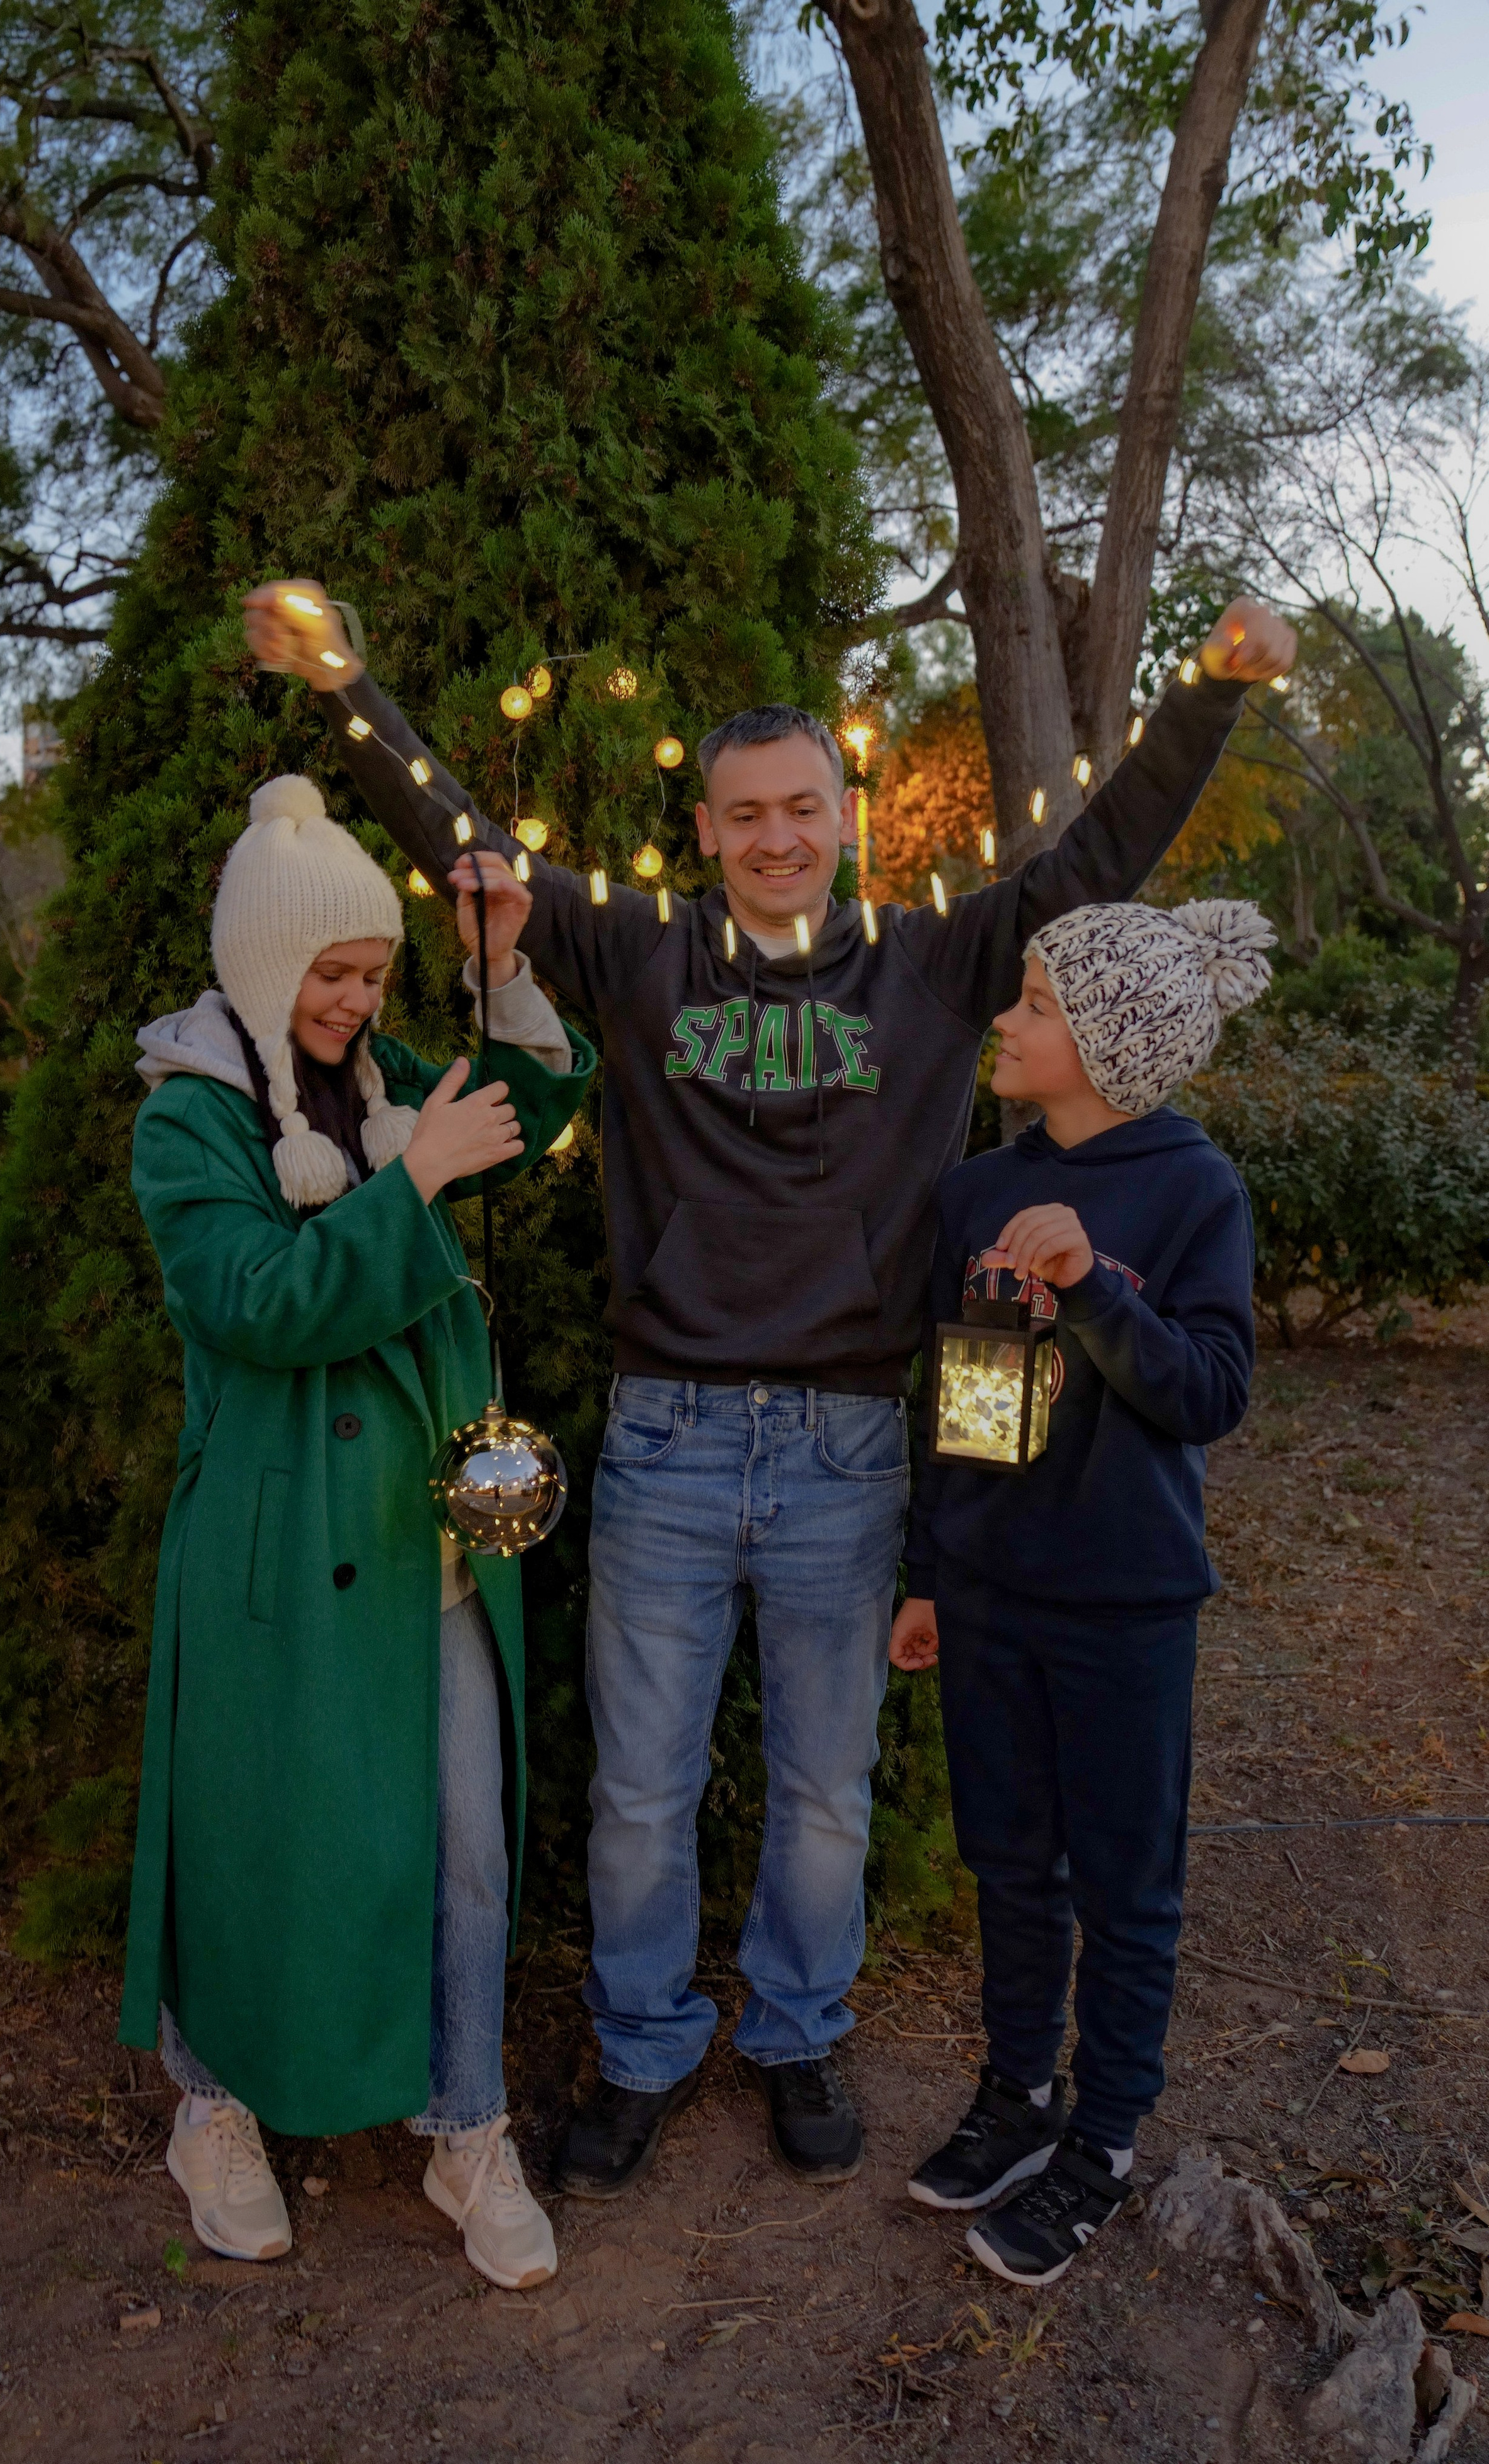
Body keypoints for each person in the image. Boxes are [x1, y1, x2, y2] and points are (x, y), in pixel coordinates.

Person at [242, 582, 1296, 2199]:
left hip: (853, 1446)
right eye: (745, 814)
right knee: (641, 1790)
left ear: (846, 815)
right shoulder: (641, 947)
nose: (776, 835)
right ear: (708, 830)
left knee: (821, 1787)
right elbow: (466, 838)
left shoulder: (941, 962)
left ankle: (799, 2033)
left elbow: (1096, 857)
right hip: (668, 1433)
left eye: (804, 805)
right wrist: (348, 687)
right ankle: (642, 2046)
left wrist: (1210, 691)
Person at [118, 772, 594, 2290]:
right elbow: (259, 1306)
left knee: (461, 1840)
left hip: (424, 1541)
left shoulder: (389, 1083)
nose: (356, 1000)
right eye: (330, 974)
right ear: (263, 969)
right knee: (251, 1831)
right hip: (273, 1552)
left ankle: (465, 2125)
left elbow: (542, 1101)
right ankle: (216, 2109)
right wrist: (419, 1189)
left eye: (375, 971)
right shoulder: (189, 1119)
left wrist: (501, 966)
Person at [889, 897, 1275, 2288]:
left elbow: (1210, 1393)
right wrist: (930, 1572)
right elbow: (952, 1401)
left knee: (1122, 1884)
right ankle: (1014, 2100)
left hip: (1120, 1603)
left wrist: (1094, 1292)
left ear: (1107, 1042)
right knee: (1008, 1862)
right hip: (990, 1592)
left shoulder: (1190, 1190)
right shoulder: (973, 1193)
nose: (1005, 1018)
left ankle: (1100, 2140)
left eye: (1037, 1003)